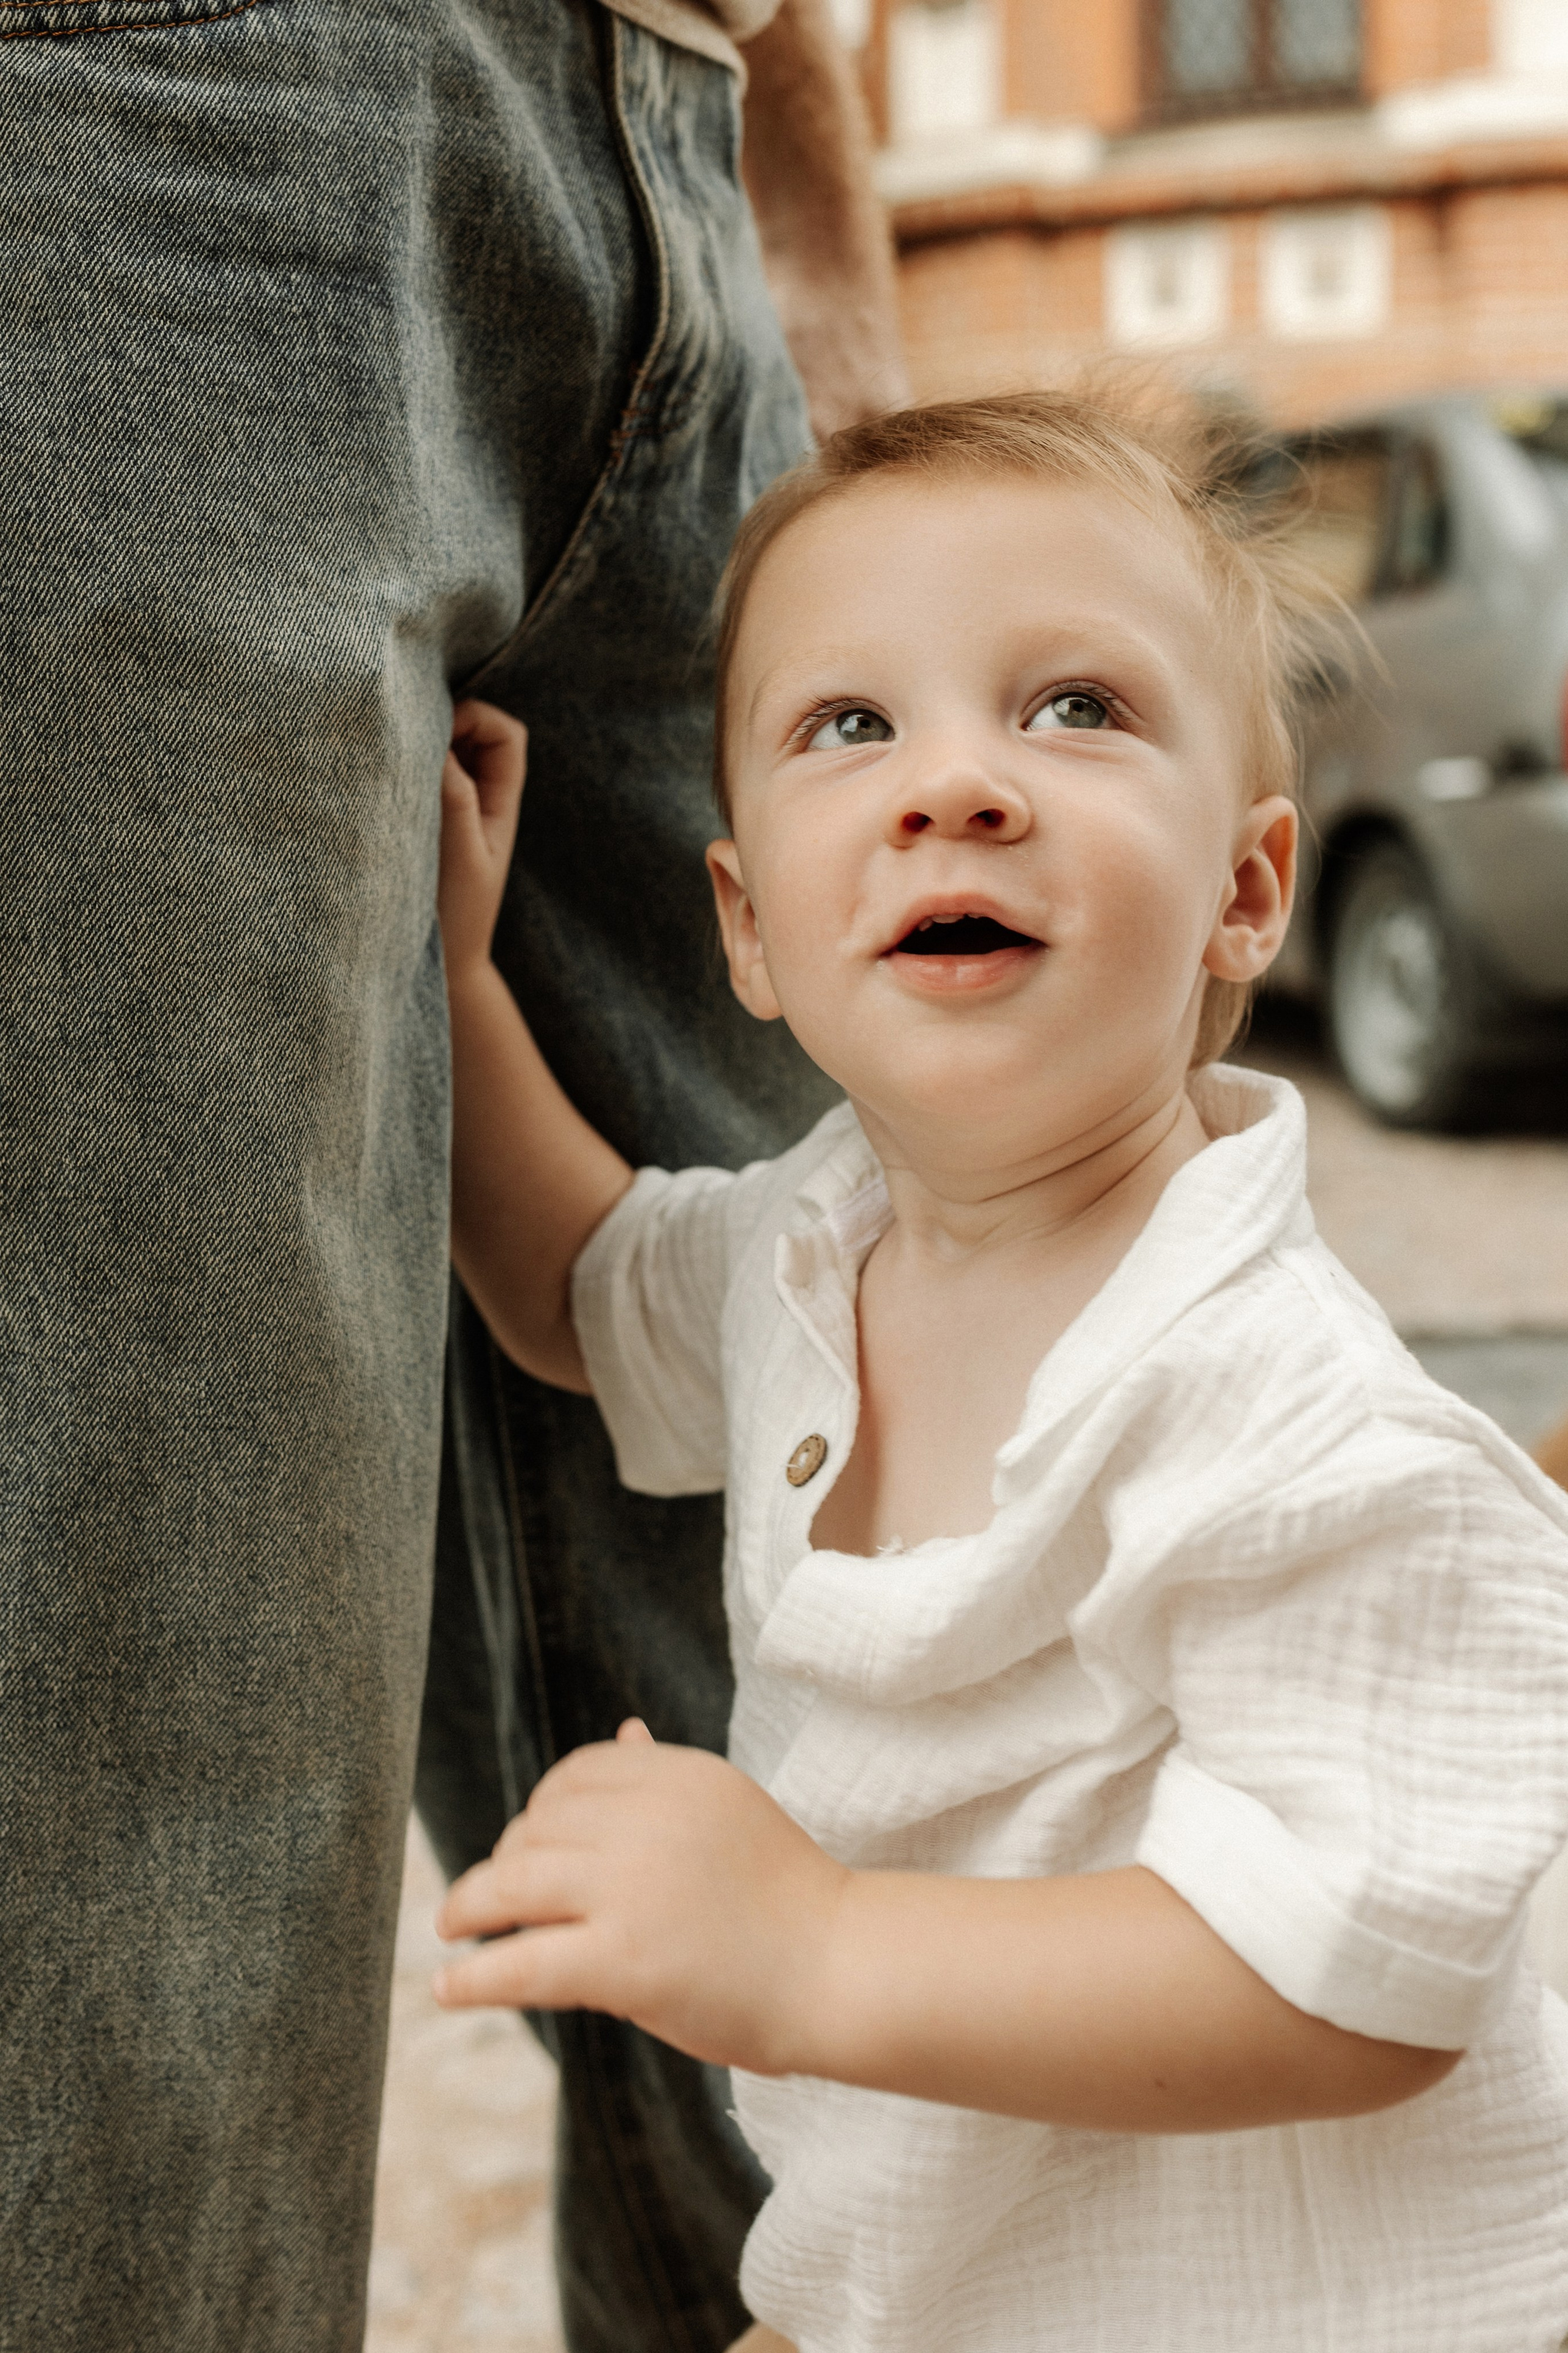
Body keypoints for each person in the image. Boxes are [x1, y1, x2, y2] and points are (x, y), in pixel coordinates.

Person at [429, 391, 1568, 2352]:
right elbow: (574, 1282)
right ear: (750, 927)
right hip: (989, 2251)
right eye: (851, 726)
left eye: (1076, 710)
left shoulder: (1288, 1416)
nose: (955, 784)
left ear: (1245, 889)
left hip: (1307, 2297)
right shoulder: (816, 1243)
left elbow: (1358, 1976)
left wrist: (816, 1943)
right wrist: (441, 987)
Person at [0, 5, 902, 2347]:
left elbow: (607, 1280)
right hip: (153, 125)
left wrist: (798, 205)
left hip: (685, 159)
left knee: (840, 1694)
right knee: (139, 1927)